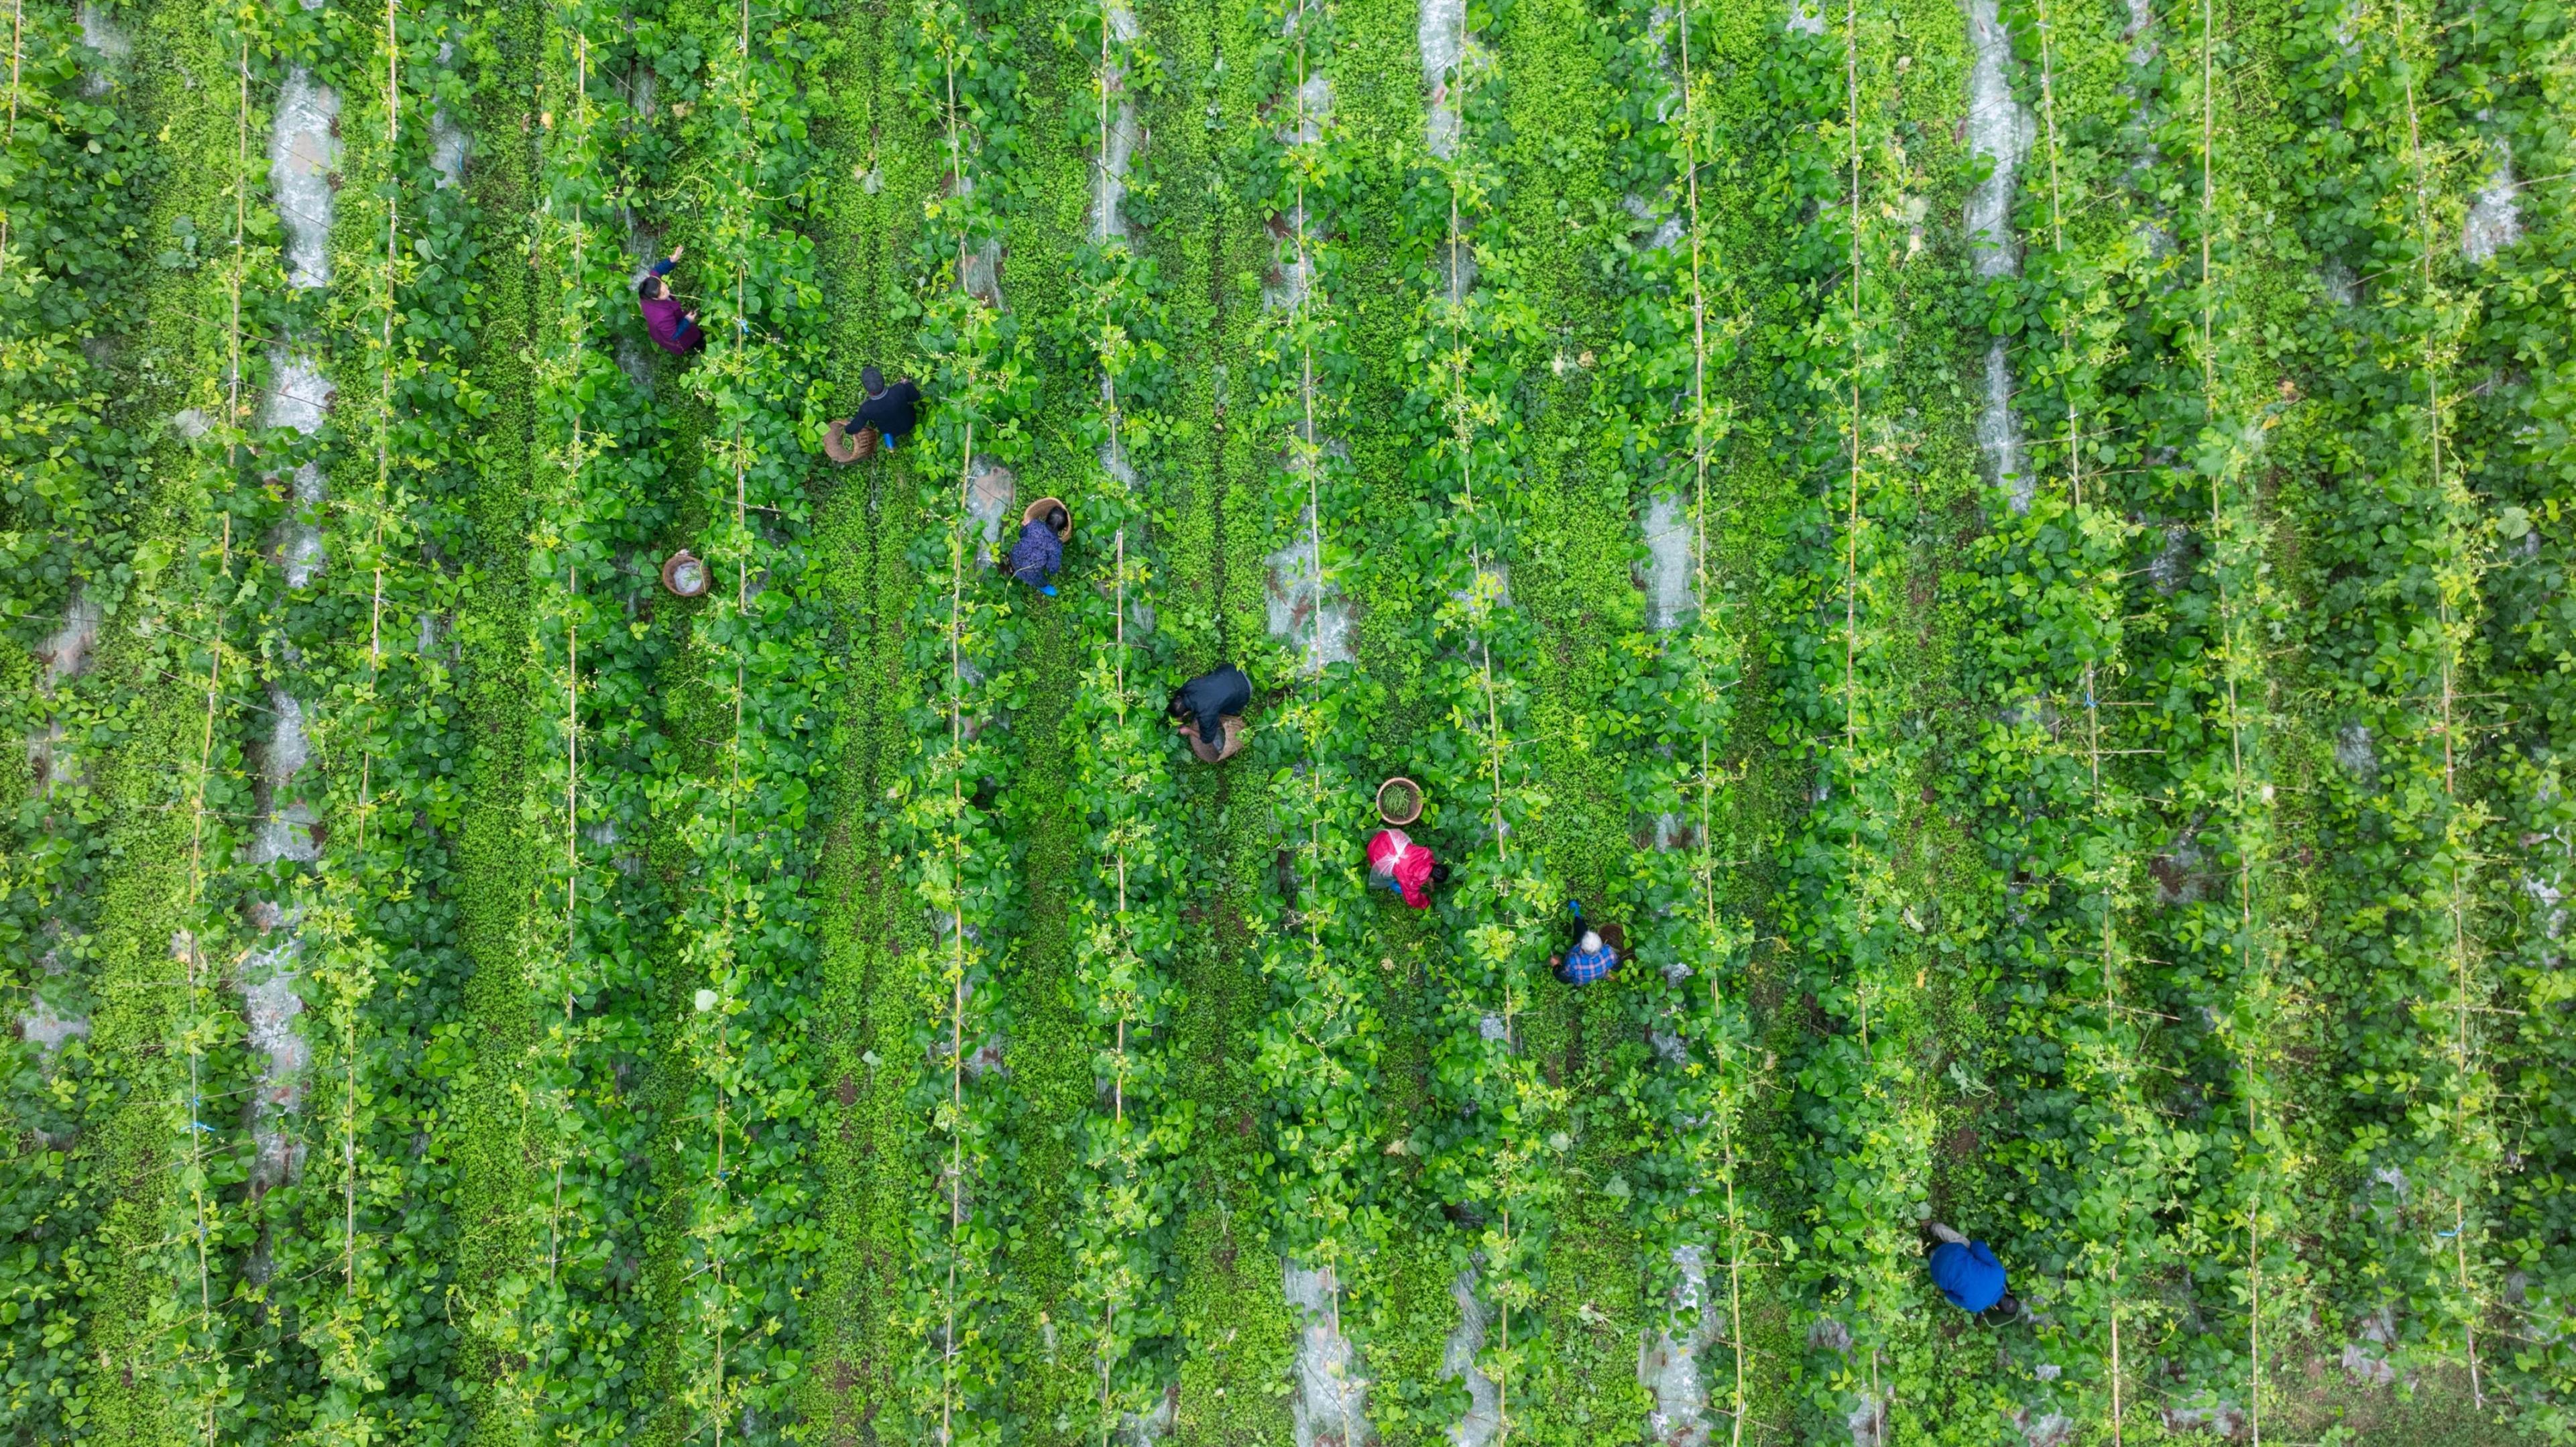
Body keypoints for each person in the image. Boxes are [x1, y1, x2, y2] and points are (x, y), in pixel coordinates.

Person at [1926, 1221, 2013, 1316]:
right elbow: (1949, 1295)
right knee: (1944, 1271)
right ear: (1996, 1308)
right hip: (1937, 1270)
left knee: (1967, 1244)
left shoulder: (1999, 1274)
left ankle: (1934, 1227)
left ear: (2009, 1293)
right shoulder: (1976, 1307)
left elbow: (1977, 1247)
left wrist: (1976, 1246)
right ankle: (1928, 1251)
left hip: (1952, 1251)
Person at [1168, 664, 1251, 763]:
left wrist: (1188, 730)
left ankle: (1238, 703)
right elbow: (1179, 696)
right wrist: (1179, 719)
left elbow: (1207, 739)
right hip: (1232, 670)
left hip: (1245, 688)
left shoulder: (1206, 714)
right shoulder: (1189, 686)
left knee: (1227, 710)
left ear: (1186, 714)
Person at [637, 246, 702, 355]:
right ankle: (699, 346)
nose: (667, 292)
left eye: (664, 287)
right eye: (662, 294)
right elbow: (673, 335)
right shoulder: (662, 316)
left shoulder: (649, 286)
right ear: (654, 298)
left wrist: (672, 260)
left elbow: (656, 271)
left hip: (664, 324)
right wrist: (687, 320)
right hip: (670, 333)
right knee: (694, 338)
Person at [842, 365, 923, 451]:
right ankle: (892, 447)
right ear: (883, 380)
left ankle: (891, 447)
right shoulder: (900, 389)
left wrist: (847, 429)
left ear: (867, 389)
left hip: (891, 431)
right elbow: (916, 397)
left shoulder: (866, 409)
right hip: (910, 421)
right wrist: (907, 384)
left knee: (887, 431)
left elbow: (855, 427)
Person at [1366, 827, 1448, 909]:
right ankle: (1393, 880)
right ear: (1432, 880)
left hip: (1387, 838)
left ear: (1438, 863)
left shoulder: (1426, 853)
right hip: (1376, 855)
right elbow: (1413, 900)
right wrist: (1427, 900)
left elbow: (1424, 865)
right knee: (1398, 884)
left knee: (1403, 859)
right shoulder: (1411, 882)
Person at [1550, 899, 1619, 984]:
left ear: (1581, 947)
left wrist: (1556, 966)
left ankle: (1576, 914)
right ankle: (1576, 914)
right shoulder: (1609, 952)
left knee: (1582, 930)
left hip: (1578, 978)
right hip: (1595, 974)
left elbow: (1563, 977)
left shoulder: (1574, 962)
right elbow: (1618, 965)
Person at [1008, 504, 1068, 595]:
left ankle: (1011, 568)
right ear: (1063, 529)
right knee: (1040, 581)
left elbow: (1022, 534)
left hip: (1014, 556)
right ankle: (1043, 587)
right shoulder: (1056, 546)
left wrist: (1025, 527)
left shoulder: (1034, 524)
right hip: (1030, 572)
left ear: (1046, 518)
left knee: (1018, 558)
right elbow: (1052, 569)